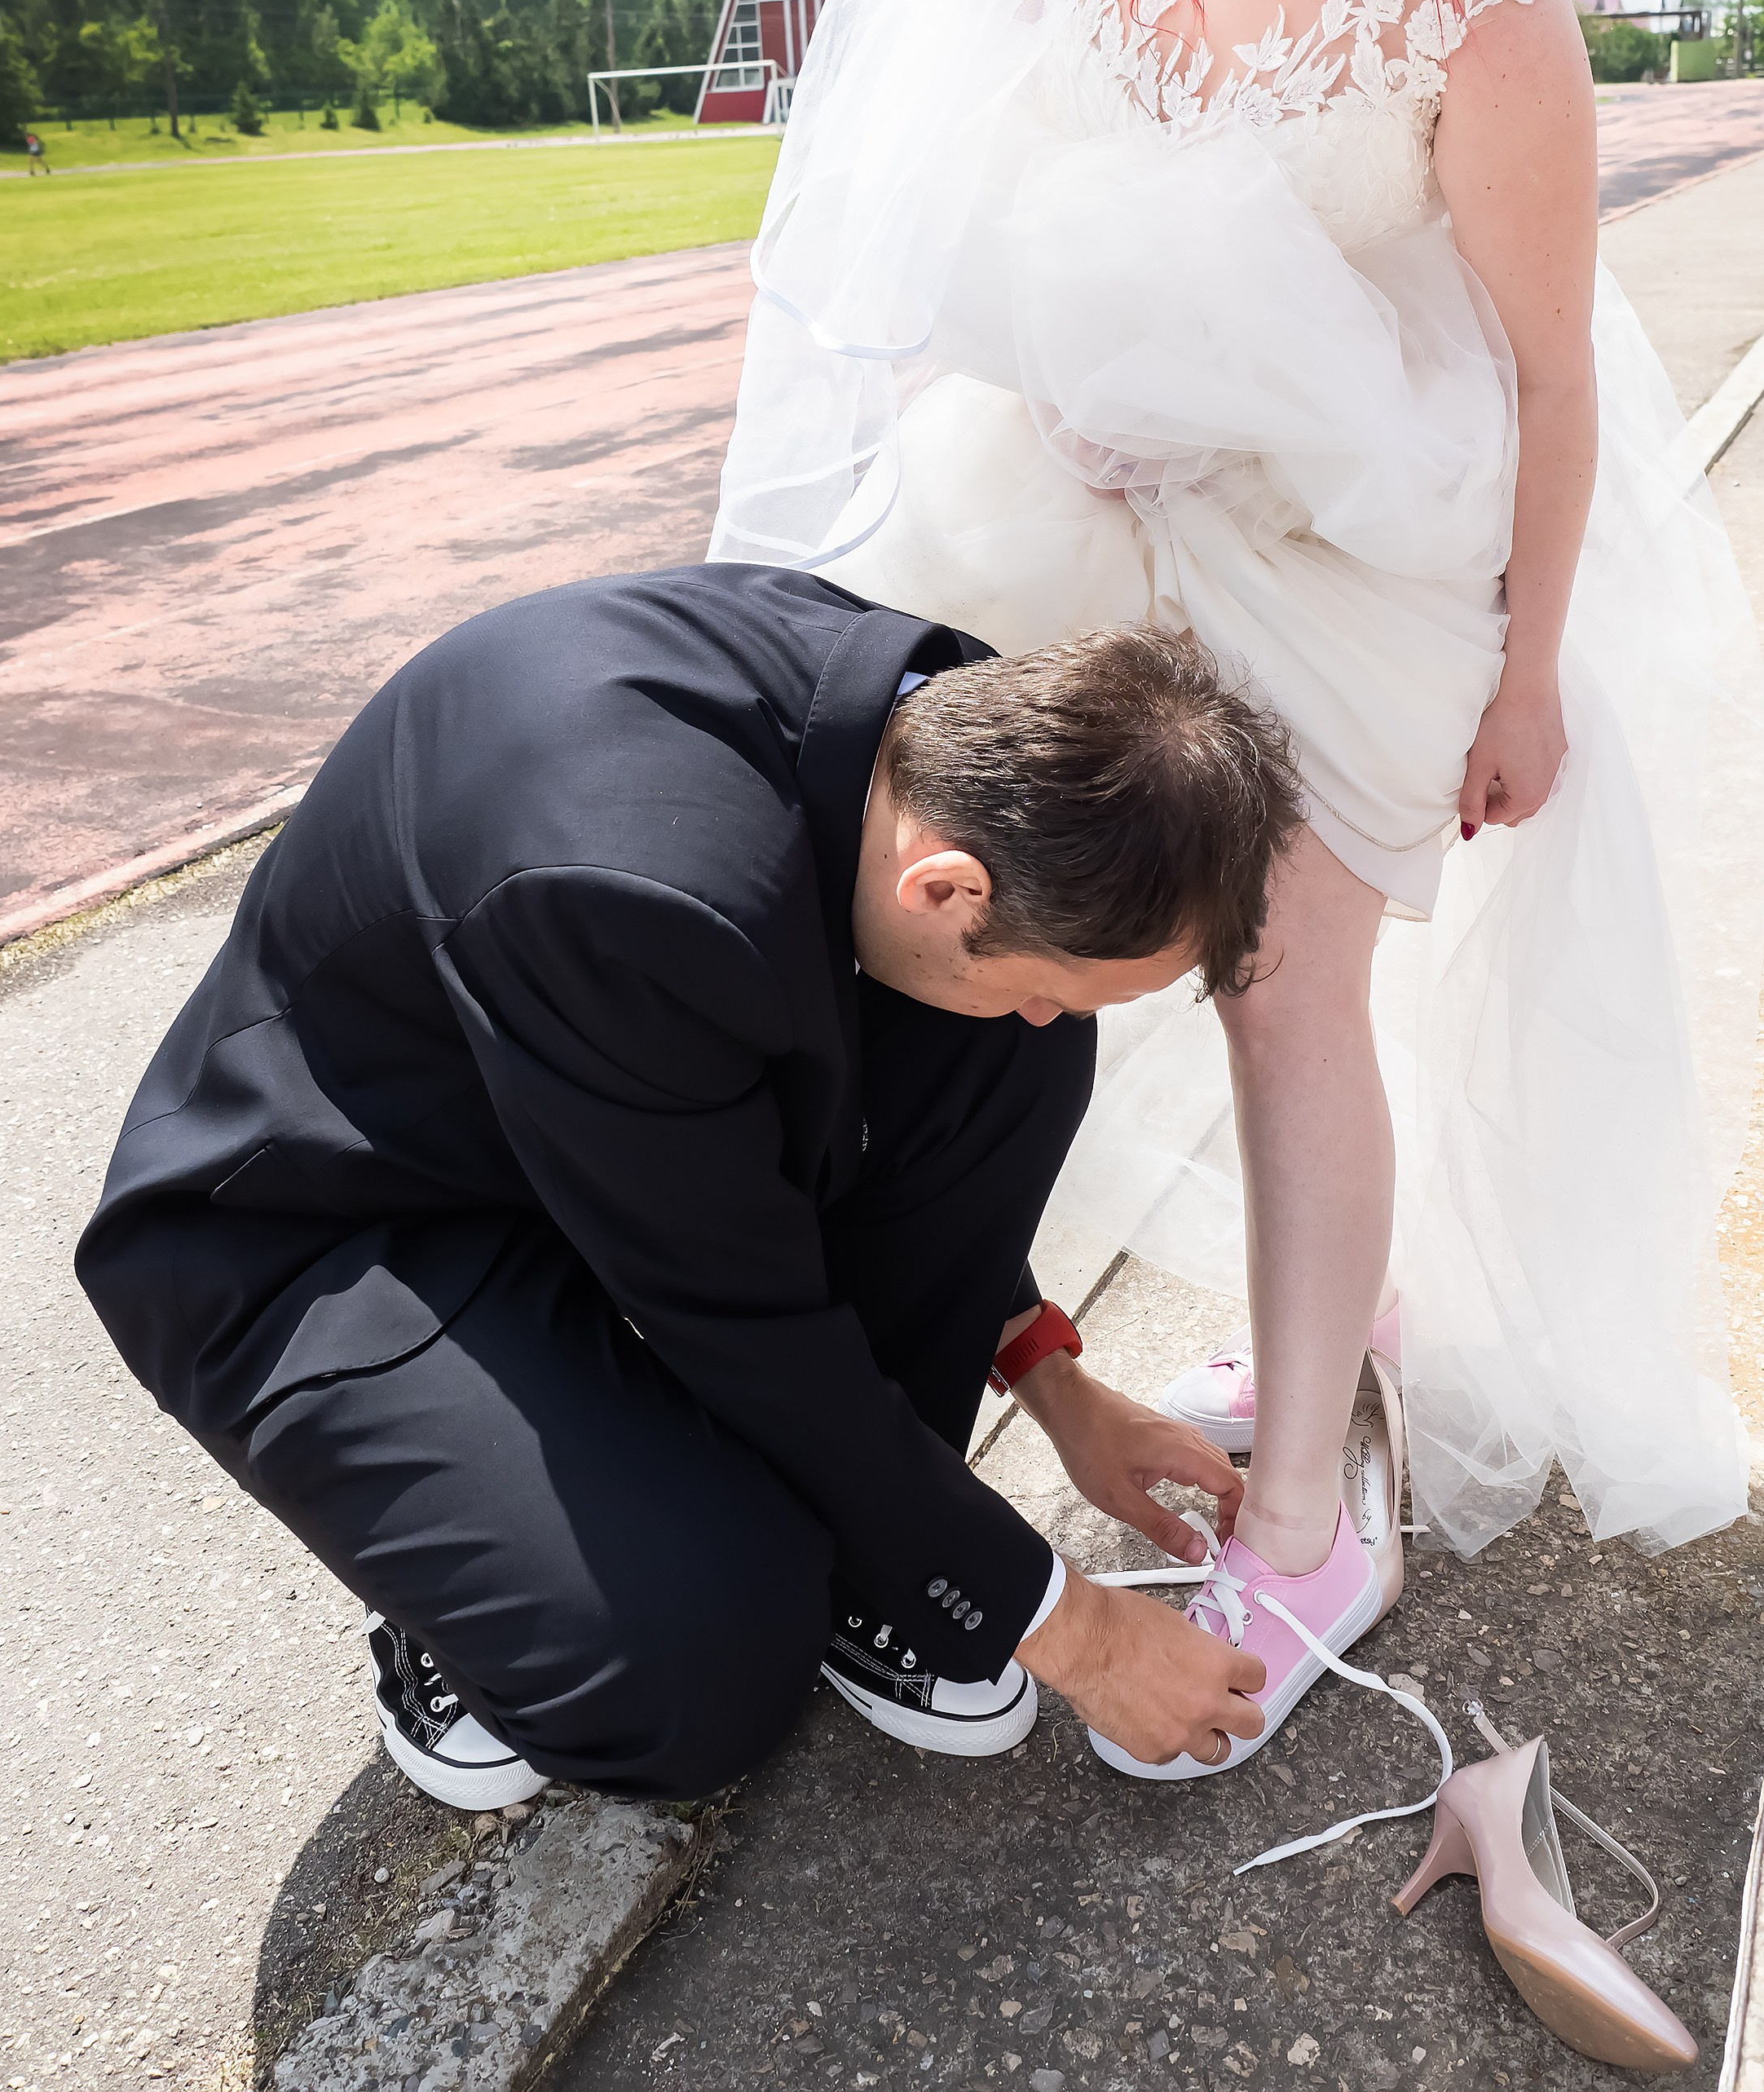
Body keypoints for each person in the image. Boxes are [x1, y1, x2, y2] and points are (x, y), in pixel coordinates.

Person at [709, 0, 1764, 1776]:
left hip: (1357, 551)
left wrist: (1517, 681)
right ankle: (1289, 1327)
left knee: (1285, 974)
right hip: (1089, 512)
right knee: (1038, 910)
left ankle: (1307, 1507)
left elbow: (1538, 370)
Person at [77, 563, 1306, 1806]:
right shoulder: (631, 894)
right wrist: (1076, 1630)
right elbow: (745, 1319)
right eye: (1051, 975)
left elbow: (875, 1113)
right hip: (339, 1223)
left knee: (1005, 1046)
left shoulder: (948, 742)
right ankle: (455, 1614)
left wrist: (1044, 1369)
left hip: (613, 1131)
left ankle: (869, 1547)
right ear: (942, 885)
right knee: (692, 1670)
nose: (1051, 1012)